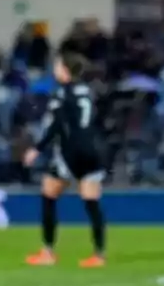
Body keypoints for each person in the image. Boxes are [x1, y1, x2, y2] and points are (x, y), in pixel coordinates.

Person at [23, 54, 109, 267]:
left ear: (65, 70)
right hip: (92, 150)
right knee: (91, 202)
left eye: (57, 66)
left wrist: (37, 149)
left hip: (70, 152)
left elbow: (56, 125)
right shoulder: (87, 91)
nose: (55, 69)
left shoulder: (61, 93)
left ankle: (48, 252)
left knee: (48, 195)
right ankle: (98, 255)